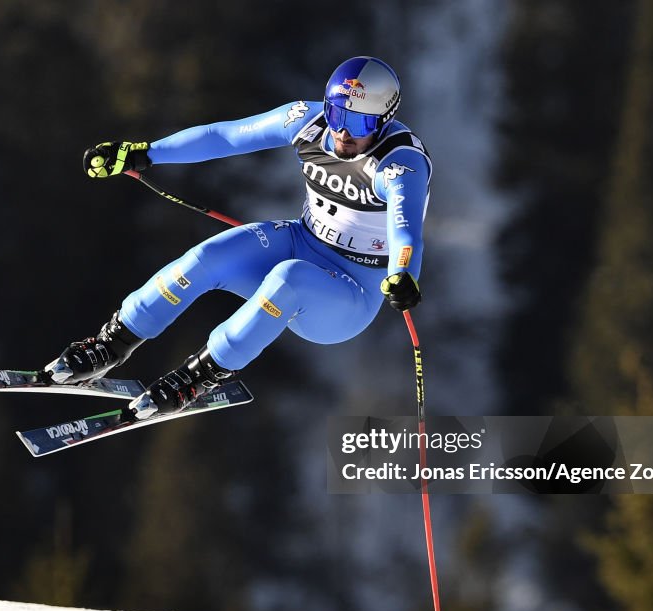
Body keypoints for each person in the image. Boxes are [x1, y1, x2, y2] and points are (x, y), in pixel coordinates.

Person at [46, 56, 432, 419]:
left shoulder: (400, 163)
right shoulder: (307, 121)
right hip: (302, 239)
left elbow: (406, 229)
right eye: (337, 114)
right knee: (208, 257)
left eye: (360, 123)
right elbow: (224, 136)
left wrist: (403, 274)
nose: (344, 131)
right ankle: (110, 345)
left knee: (289, 279)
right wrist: (144, 153)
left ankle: (197, 377)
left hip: (350, 294)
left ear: (383, 120)